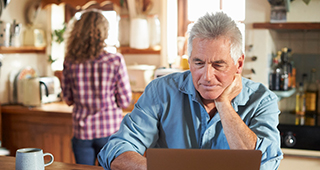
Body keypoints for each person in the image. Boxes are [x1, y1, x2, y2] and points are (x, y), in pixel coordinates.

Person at [98, 12, 283, 170]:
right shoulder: (160, 91)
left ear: (239, 64)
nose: (207, 76)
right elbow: (115, 149)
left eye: (218, 65)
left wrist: (224, 104)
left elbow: (264, 164)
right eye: (198, 63)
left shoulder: (262, 100)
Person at [61, 9, 132, 165]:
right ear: (104, 33)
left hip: (82, 131)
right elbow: (125, 100)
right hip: (109, 131)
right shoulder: (115, 60)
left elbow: (67, 99)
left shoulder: (70, 61)